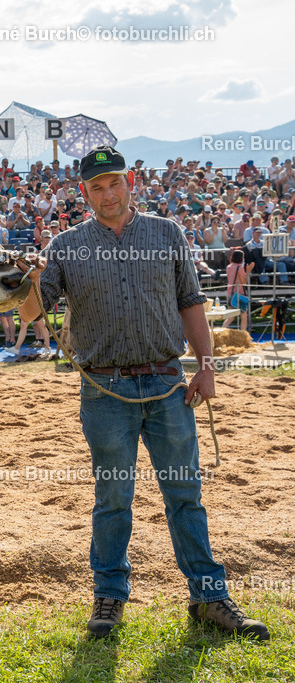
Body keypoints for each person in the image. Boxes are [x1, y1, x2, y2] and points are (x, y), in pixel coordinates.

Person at [18, 145, 269, 641]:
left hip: (168, 380)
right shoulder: (66, 247)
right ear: (83, 192)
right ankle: (109, 597)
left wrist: (206, 367)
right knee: (113, 496)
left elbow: (191, 302)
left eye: (114, 183)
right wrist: (32, 279)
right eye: (96, 187)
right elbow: (30, 314)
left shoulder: (167, 232)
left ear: (129, 181)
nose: (107, 194)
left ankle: (209, 596)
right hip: (104, 389)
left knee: (185, 492)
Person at [222, 249, 254, 331]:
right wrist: (248, 271)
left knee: (230, 318)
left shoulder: (228, 267)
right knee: (243, 317)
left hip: (230, 294)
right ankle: (243, 335)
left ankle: (221, 331)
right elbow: (244, 282)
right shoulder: (239, 267)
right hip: (240, 294)